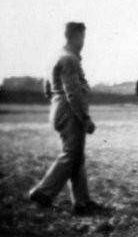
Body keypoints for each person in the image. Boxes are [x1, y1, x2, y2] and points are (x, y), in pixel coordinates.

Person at [29, 22, 102, 215]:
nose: (83, 42)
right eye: (83, 37)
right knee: (71, 155)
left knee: (76, 156)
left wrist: (57, 102)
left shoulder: (57, 55)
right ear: (77, 37)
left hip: (59, 109)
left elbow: (47, 89)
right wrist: (85, 118)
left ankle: (82, 202)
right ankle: (42, 192)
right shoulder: (69, 59)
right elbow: (73, 93)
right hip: (70, 112)